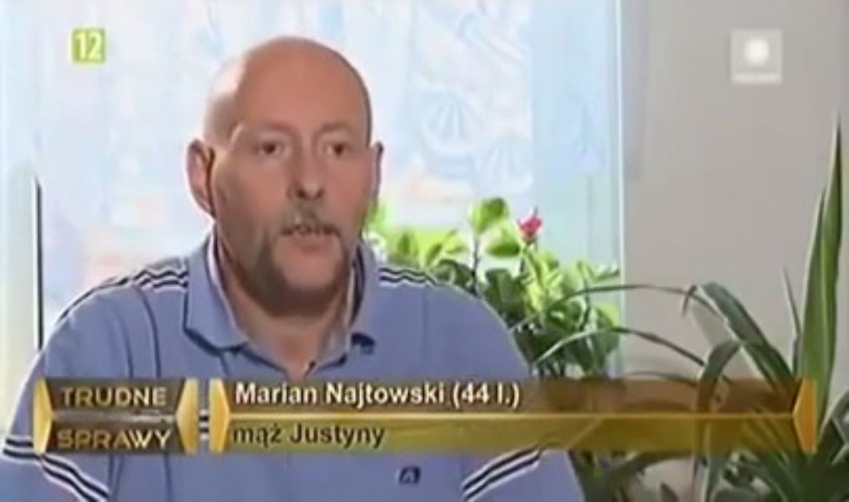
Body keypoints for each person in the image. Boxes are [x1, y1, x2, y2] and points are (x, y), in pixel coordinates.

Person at [0, 37, 584, 501]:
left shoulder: (458, 343)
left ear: (374, 174)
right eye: (271, 149)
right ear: (203, 176)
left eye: (338, 149)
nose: (309, 183)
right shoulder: (110, 349)